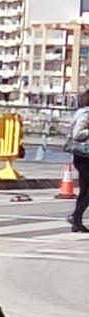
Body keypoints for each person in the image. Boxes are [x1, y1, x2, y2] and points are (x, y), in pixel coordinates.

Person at [66, 89, 89, 234]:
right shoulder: (86, 114)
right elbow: (77, 134)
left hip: (84, 157)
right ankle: (75, 216)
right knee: (86, 191)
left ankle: (77, 221)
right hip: (85, 157)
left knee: (85, 190)